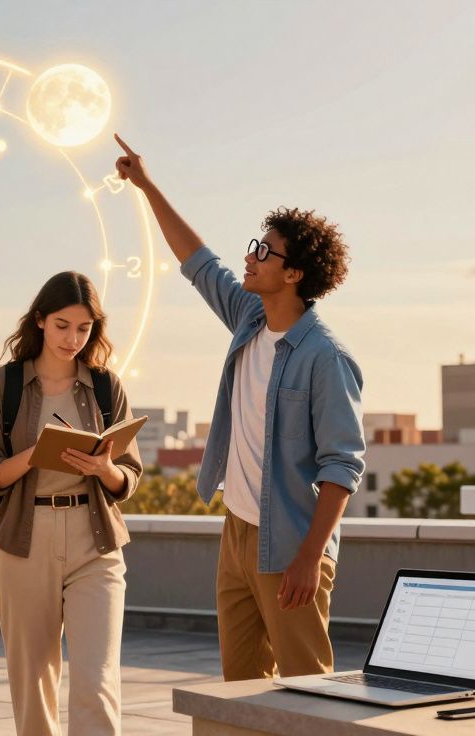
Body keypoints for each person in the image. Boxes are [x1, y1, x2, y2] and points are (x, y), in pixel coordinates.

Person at [112, 134, 366, 680]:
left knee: (308, 690)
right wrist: (146, 185)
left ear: (294, 274)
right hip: (238, 532)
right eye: (255, 246)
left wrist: (309, 558)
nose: (250, 257)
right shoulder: (250, 320)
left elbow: (342, 466)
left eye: (265, 252)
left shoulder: (325, 357)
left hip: (293, 542)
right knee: (242, 687)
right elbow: (198, 261)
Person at [0, 271, 143, 735]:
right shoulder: (3, 386)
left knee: (97, 680)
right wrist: (32, 456)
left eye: (84, 329)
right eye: (63, 325)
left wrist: (103, 469)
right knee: (33, 682)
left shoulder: (107, 386)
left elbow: (129, 476)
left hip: (96, 544)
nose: (73, 338)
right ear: (41, 321)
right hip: (26, 543)